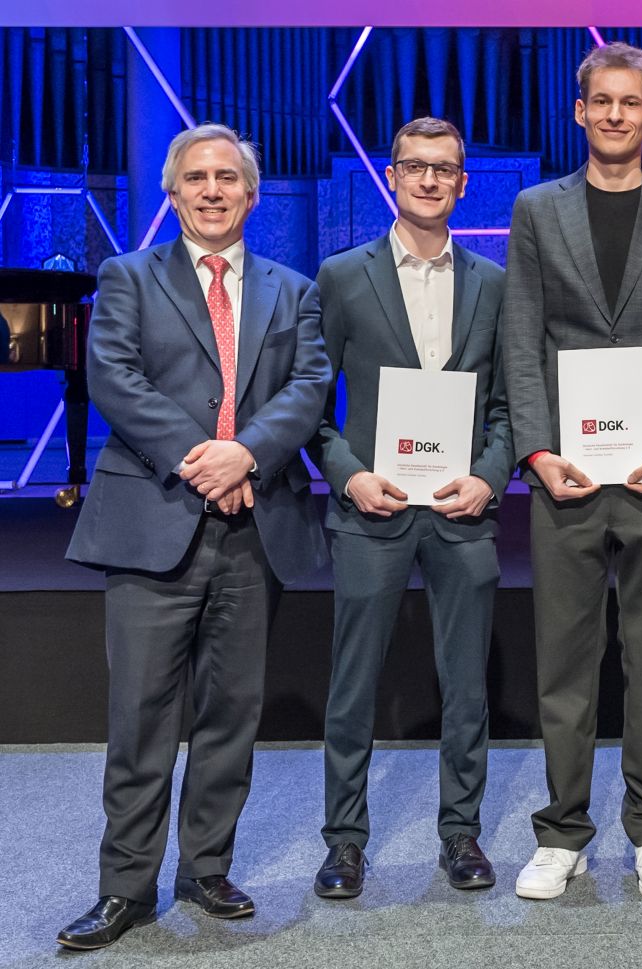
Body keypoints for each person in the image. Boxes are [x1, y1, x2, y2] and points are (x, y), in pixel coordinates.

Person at [59, 124, 330, 949]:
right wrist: (202, 458)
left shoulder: (293, 289)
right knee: (140, 713)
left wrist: (248, 451)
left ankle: (207, 866)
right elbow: (115, 379)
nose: (213, 190)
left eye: (228, 178)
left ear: (252, 194)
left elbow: (310, 382)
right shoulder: (128, 277)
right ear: (172, 194)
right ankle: (124, 887)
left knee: (230, 713)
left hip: (257, 529)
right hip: (153, 523)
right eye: (196, 178)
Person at [501, 42, 642, 901]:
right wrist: (537, 452)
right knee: (564, 659)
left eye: (633, 103)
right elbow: (522, 339)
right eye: (603, 102)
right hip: (569, 476)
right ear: (582, 111)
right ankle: (563, 832)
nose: (617, 115)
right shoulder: (536, 208)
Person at [307, 117, 512, 897]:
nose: (429, 180)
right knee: (352, 682)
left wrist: (490, 476)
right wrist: (349, 474)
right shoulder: (341, 276)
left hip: (462, 510)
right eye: (415, 167)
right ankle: (346, 842)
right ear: (391, 177)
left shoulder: (493, 284)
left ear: (464, 183)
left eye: (445, 169)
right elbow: (313, 408)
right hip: (372, 508)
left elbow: (506, 406)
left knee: (466, 684)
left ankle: (461, 833)